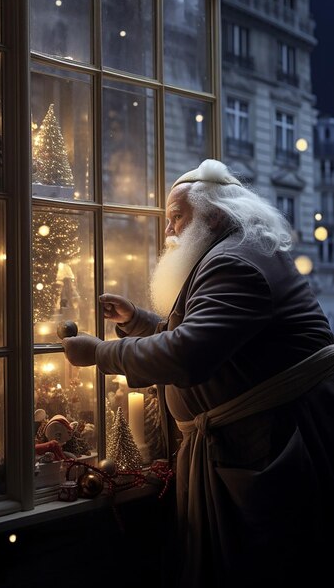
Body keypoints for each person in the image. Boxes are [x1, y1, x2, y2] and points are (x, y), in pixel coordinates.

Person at [62, 159, 334, 588]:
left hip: (271, 447)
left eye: (176, 218)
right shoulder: (233, 253)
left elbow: (188, 356)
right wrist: (137, 322)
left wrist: (101, 353)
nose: (169, 233)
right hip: (256, 444)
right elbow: (206, 339)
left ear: (214, 215)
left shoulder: (235, 263)